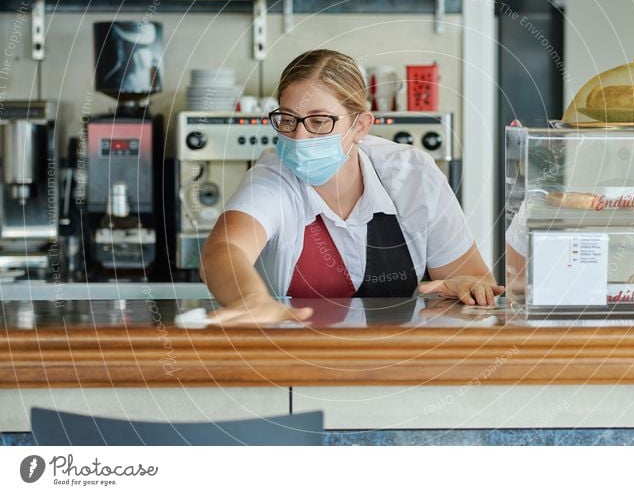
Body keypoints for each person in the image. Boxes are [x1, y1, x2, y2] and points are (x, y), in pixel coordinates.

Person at [200, 49, 503, 325]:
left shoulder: (412, 175)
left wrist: (467, 287)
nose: (299, 138)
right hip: (295, 366)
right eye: (288, 120)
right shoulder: (273, 178)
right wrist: (251, 299)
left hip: (400, 362)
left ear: (360, 126)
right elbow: (224, 248)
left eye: (319, 121)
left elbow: (475, 281)